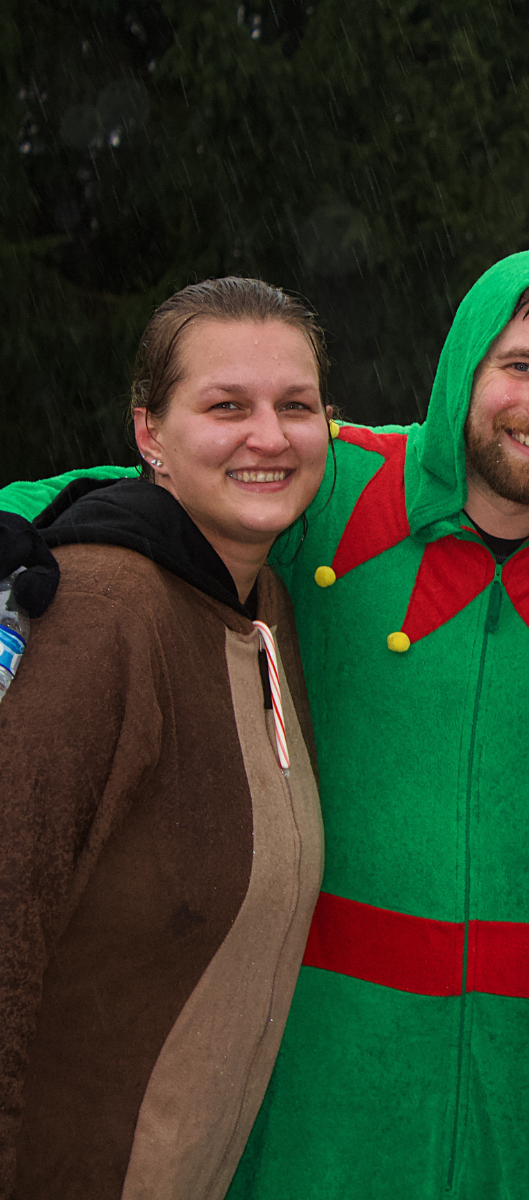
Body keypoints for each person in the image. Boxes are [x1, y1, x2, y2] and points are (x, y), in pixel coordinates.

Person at [0, 250, 529, 1198]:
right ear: (463, 372)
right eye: (520, 365)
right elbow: (159, 491)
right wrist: (25, 527)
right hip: (324, 1084)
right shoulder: (337, 485)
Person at [0, 278, 330, 1198]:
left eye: (295, 406)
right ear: (149, 433)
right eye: (226, 405)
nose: (268, 436)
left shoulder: (264, 607)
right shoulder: (101, 611)